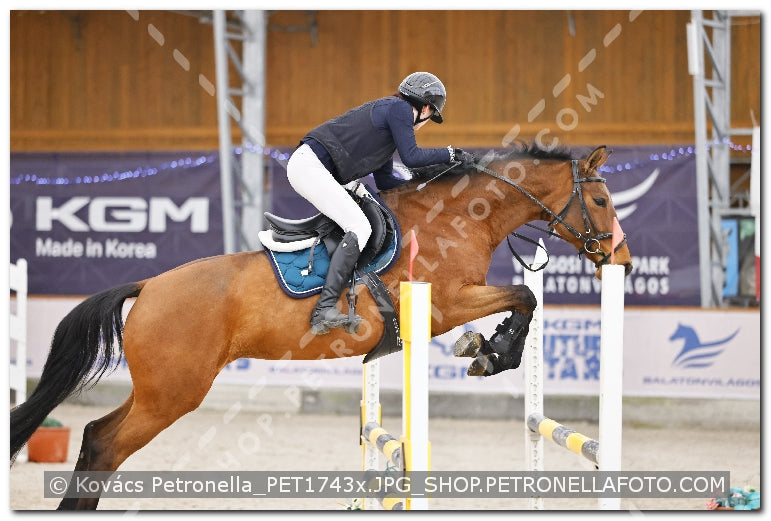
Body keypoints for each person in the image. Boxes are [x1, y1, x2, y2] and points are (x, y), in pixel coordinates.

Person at [286, 71, 476, 335]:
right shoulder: (400, 109)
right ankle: (324, 308)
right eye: (431, 116)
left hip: (316, 168)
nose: (427, 122)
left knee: (363, 215)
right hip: (310, 167)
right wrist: (451, 153)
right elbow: (411, 157)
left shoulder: (388, 128)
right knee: (360, 227)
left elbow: (386, 183)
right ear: (425, 108)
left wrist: (425, 189)